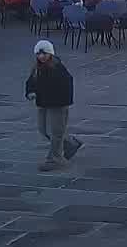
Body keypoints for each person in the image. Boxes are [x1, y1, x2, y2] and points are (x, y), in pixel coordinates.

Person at [24, 40, 83, 171]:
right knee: (43, 129)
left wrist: (61, 100)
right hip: (43, 103)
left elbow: (66, 85)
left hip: (58, 104)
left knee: (56, 131)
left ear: (50, 53)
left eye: (44, 53)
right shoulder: (36, 69)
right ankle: (70, 143)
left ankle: (55, 159)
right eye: (39, 54)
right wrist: (30, 92)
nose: (41, 56)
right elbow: (30, 82)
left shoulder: (58, 68)